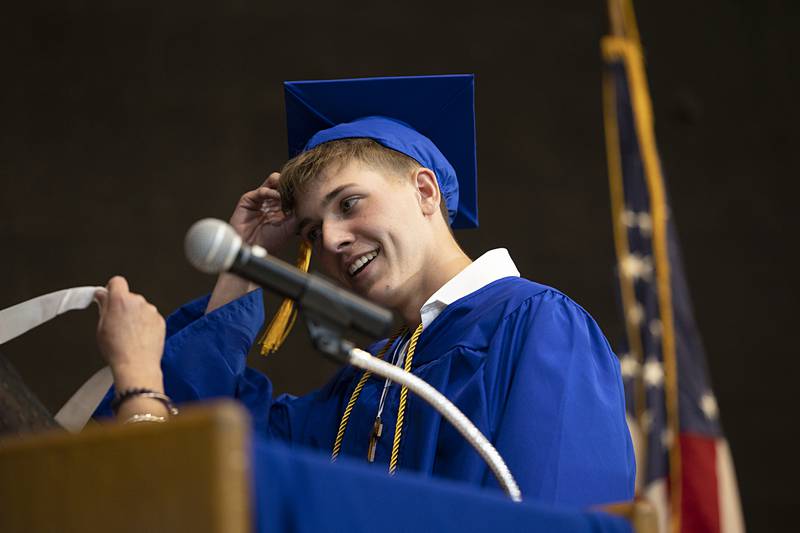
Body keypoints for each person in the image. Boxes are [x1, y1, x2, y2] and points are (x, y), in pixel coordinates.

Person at [96, 75, 635, 507]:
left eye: (349, 204)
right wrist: (242, 262)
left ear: (424, 190)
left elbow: (563, 519)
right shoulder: (362, 384)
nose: (329, 239)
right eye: (310, 231)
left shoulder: (537, 325)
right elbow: (209, 465)